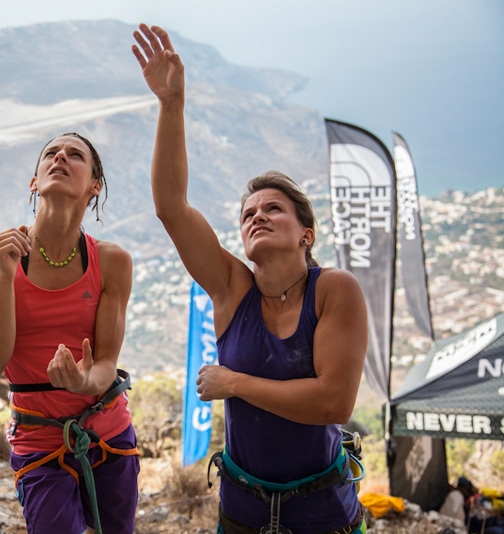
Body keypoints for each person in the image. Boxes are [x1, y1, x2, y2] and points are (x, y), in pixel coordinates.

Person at [132, 24, 368, 533]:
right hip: (242, 513)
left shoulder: (334, 291)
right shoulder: (230, 288)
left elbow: (333, 401)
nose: (256, 216)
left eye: (273, 209)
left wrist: (233, 382)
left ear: (307, 233)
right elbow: (171, 207)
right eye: (247, 214)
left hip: (322, 516)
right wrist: (171, 104)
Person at [0, 132, 139, 534]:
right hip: (38, 440)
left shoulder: (111, 261)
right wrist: (6, 278)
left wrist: (82, 382)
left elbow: (107, 362)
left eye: (75, 155)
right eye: (50, 154)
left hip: (108, 432)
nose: (60, 156)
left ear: (94, 186)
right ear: (34, 181)